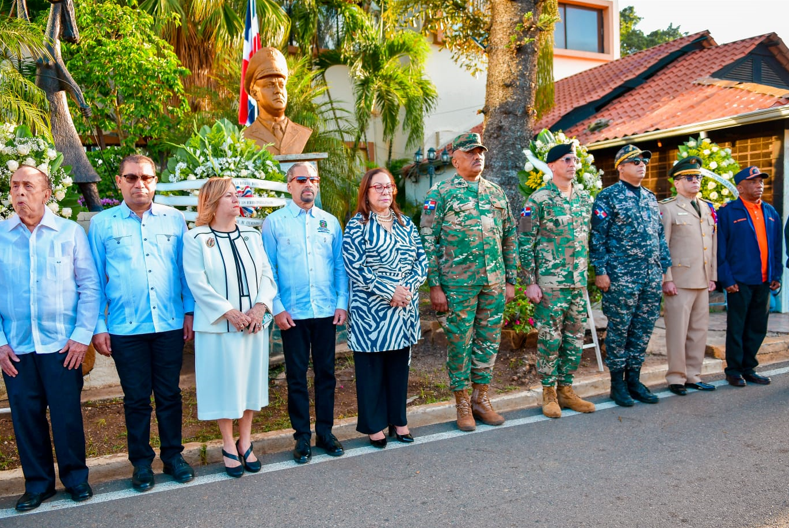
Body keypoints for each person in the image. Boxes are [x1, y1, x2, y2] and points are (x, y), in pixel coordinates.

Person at [88, 154, 196, 492]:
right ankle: (141, 464)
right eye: (132, 178)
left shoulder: (174, 220)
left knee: (169, 394)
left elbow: (185, 271)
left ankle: (173, 456)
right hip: (124, 328)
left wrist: (189, 312)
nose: (140, 184)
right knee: (135, 398)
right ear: (119, 182)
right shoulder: (103, 224)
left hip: (168, 324)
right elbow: (94, 278)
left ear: (154, 182)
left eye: (146, 178)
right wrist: (98, 325)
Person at [0, 166, 100, 511]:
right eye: (15, 187)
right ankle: (38, 484)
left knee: (66, 416)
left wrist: (80, 337)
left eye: (29, 186)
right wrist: (0, 343)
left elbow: (89, 287)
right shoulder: (0, 235)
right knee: (25, 418)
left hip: (61, 347)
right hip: (17, 348)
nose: (20, 193)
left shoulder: (69, 233)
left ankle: (76, 478)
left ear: (47, 193)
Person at [420, 133, 518, 432]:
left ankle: (481, 398)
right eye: (470, 152)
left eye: (480, 152)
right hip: (457, 284)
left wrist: (511, 280)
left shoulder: (496, 192)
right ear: (455, 160)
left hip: (494, 282)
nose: (478, 156)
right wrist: (434, 285)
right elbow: (427, 239)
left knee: (488, 341)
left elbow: (510, 236)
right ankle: (462, 402)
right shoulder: (442, 193)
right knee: (459, 343)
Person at [183, 178, 277, 477]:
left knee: (249, 383)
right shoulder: (196, 238)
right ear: (212, 202)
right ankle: (227, 444)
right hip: (218, 329)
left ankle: (246, 441)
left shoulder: (252, 235)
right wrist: (231, 313)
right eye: (230, 196)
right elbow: (197, 283)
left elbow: (266, 274)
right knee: (224, 386)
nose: (238, 200)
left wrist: (260, 307)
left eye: (238, 195)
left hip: (252, 325)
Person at [261, 162, 348, 463]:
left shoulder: (330, 222)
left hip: (325, 311)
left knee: (326, 374)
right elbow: (268, 269)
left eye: (313, 179)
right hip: (293, 315)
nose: (308, 184)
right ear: (289, 185)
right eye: (301, 179)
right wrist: (278, 308)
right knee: (296, 376)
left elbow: (339, 265)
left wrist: (342, 302)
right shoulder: (274, 223)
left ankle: (325, 432)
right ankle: (301, 437)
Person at [342, 168, 427, 447]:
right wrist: (389, 290)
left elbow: (421, 261)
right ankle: (374, 425)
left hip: (403, 309)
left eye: (388, 186)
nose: (384, 192)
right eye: (377, 187)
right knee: (372, 370)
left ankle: (398, 421)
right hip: (371, 311)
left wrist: (407, 290)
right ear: (366, 192)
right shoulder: (357, 225)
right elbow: (355, 266)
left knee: (398, 369)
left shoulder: (406, 223)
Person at [590, 144, 671, 407]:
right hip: (621, 277)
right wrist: (600, 271)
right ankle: (617, 384)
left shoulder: (649, 197)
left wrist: (664, 271)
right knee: (619, 330)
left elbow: (659, 237)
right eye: (634, 161)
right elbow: (597, 237)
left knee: (643, 330)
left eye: (643, 161)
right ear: (621, 167)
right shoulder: (607, 197)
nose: (641, 164)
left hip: (649, 277)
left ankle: (634, 380)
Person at [519, 143, 595, 418]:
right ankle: (548, 392)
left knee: (575, 339)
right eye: (566, 160)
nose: (572, 164)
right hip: (550, 283)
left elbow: (590, 238)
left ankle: (566, 389)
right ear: (551, 165)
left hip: (577, 283)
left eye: (574, 159)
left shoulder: (585, 199)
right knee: (550, 339)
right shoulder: (537, 201)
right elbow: (524, 242)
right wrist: (530, 282)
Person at [717, 166, 782, 387]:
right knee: (737, 326)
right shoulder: (728, 212)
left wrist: (777, 274)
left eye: (761, 182)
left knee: (757, 326)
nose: (759, 186)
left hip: (764, 280)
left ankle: (749, 368)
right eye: (753, 182)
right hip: (739, 281)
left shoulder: (771, 212)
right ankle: (733, 370)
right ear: (740, 187)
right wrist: (726, 279)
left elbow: (776, 246)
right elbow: (720, 248)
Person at [659, 157, 718, 396]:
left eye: (698, 177)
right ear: (677, 182)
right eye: (689, 177)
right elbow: (662, 245)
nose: (695, 181)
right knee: (677, 331)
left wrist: (712, 275)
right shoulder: (668, 207)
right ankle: (676, 377)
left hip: (702, 279)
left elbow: (710, 244)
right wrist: (667, 278)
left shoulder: (706, 206)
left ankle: (694, 375)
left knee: (698, 331)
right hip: (679, 280)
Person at [242, 47, 312, 155]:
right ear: (255, 93)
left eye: (281, 85)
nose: (278, 91)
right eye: (270, 85)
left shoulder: (303, 133)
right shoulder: (245, 138)